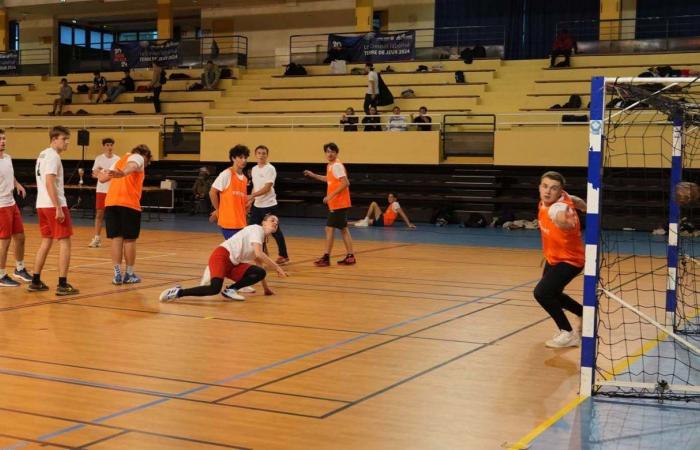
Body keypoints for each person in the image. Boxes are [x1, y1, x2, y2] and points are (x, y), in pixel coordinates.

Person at [159, 215, 288, 302]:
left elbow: (259, 263)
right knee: (214, 288)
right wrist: (277, 267)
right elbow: (259, 254)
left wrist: (266, 289)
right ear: (263, 222)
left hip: (233, 264)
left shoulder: (261, 241)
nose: (275, 223)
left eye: (277, 222)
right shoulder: (256, 229)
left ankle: (231, 289)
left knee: (260, 272)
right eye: (272, 220)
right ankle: (178, 293)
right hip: (221, 256)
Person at [534, 171, 586, 348]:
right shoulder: (559, 198)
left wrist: (563, 221)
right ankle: (583, 313)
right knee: (553, 293)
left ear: (560, 191)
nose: (548, 191)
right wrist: (585, 207)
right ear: (540, 187)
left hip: (570, 261)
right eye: (545, 186)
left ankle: (567, 333)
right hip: (553, 258)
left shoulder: (559, 208)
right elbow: (576, 200)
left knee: (541, 293)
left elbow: (562, 218)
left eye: (554, 188)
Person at [28, 126, 79, 295]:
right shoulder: (53, 157)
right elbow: (50, 182)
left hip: (41, 204)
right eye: (64, 139)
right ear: (54, 139)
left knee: (46, 241)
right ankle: (63, 284)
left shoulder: (42, 154)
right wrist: (58, 207)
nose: (67, 142)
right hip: (53, 205)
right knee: (65, 242)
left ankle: (35, 281)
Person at [100, 144, 152, 285]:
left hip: (111, 202)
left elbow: (102, 179)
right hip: (128, 204)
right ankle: (129, 274)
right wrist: (123, 173)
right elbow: (133, 165)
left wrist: (99, 173)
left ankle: (117, 274)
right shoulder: (138, 157)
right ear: (145, 155)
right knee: (129, 240)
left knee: (116, 239)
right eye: (148, 161)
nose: (146, 164)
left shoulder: (118, 160)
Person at [303, 142, 356, 266]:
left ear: (336, 153)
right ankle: (350, 256)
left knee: (329, 229)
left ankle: (326, 258)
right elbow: (329, 179)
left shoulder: (337, 165)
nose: (330, 154)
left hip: (339, 203)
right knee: (343, 229)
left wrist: (330, 195)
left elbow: (345, 183)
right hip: (338, 203)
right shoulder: (331, 165)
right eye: (327, 151)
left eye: (332, 151)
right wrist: (313, 175)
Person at [0, 129, 31, 287]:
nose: (3, 141)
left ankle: (19, 269)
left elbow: (9, 175)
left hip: (11, 204)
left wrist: (17, 184)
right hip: (1, 207)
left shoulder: (7, 158)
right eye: (0, 139)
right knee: (4, 242)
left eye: (4, 138)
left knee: (20, 237)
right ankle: (1, 274)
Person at [248, 145, 289, 264]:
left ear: (267, 155)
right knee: (253, 230)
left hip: (269, 205)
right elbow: (256, 187)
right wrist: (251, 201)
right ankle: (262, 254)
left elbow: (267, 188)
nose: (261, 155)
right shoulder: (254, 169)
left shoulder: (270, 168)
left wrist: (251, 196)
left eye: (264, 153)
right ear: (255, 155)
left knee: (275, 231)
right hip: (257, 206)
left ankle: (283, 255)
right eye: (259, 153)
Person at [210, 145, 249, 239]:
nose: (244, 160)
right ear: (233, 158)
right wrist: (218, 210)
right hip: (229, 223)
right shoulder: (226, 174)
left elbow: (240, 200)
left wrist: (247, 205)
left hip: (241, 222)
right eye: (240, 157)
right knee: (237, 251)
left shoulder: (244, 179)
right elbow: (212, 192)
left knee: (239, 252)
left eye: (245, 157)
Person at [88, 138, 120, 248]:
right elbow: (94, 173)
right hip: (101, 190)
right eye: (107, 145)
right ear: (104, 146)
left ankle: (117, 238)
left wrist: (103, 172)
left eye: (111, 145)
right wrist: (101, 173)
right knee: (99, 214)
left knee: (114, 215)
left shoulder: (118, 159)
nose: (109, 147)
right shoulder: (99, 159)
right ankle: (97, 238)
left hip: (113, 190)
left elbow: (118, 174)